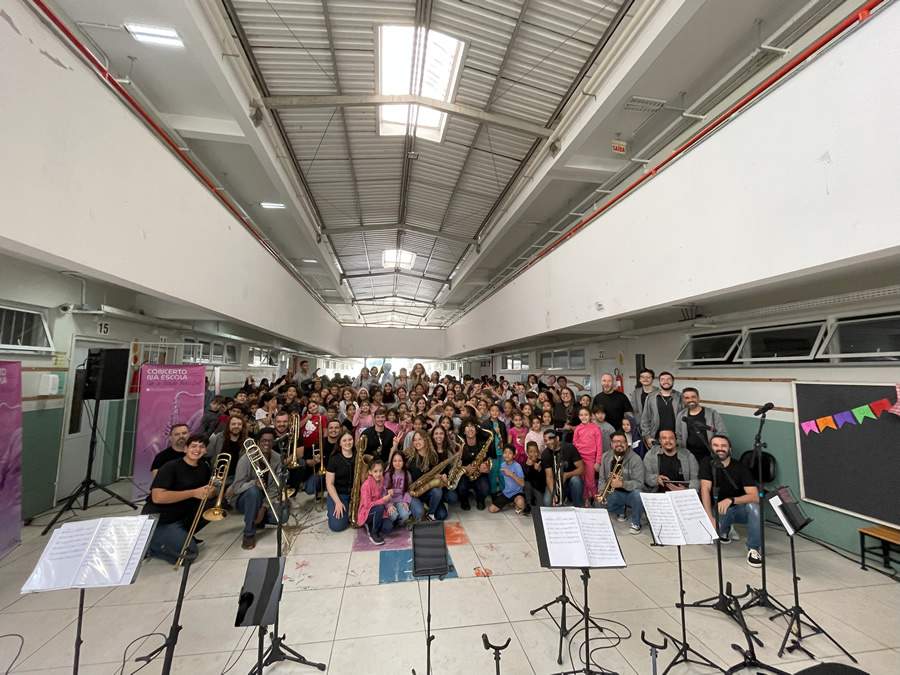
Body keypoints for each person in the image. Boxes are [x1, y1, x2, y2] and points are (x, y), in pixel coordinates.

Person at [142, 434, 215, 563]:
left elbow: (205, 491)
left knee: (213, 505)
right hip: (162, 519)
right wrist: (193, 493)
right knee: (189, 555)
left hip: (181, 516)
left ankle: (181, 535)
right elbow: (158, 497)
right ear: (185, 449)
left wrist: (211, 492)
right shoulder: (170, 467)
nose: (197, 449)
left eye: (201, 447)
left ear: (205, 450)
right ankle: (150, 544)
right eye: (193, 446)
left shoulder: (204, 467)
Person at [700, 435, 762, 567]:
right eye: (716, 446)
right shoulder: (707, 463)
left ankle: (754, 549)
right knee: (711, 536)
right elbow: (705, 489)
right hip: (718, 511)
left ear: (730, 449)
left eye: (724, 446)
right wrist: (709, 517)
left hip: (737, 508)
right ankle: (725, 530)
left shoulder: (740, 467)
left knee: (755, 507)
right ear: (711, 448)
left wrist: (731, 500)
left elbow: (755, 496)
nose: (720, 449)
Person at [229, 427, 282, 549]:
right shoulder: (246, 459)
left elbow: (274, 487)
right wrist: (253, 483)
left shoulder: (277, 458)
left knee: (282, 516)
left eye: (270, 441)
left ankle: (257, 517)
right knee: (254, 492)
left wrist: (264, 508)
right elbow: (236, 487)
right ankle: (249, 533)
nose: (267, 444)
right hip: (243, 498)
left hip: (265, 499)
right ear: (258, 442)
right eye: (264, 440)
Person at [597, 432, 645, 534]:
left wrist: (623, 484)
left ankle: (636, 523)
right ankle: (620, 510)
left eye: (622, 442)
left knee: (638, 494)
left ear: (627, 444)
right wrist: (602, 492)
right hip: (614, 493)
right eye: (615, 442)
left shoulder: (635, 459)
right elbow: (602, 479)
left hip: (630, 494)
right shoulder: (605, 456)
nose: (619, 444)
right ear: (611, 444)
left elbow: (640, 483)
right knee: (599, 502)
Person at [676, 388, 728, 465]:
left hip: (709, 454)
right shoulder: (681, 415)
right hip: (689, 455)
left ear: (698, 398)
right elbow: (679, 436)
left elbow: (722, 433)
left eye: (693, 397)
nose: (690, 400)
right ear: (683, 400)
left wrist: (717, 451)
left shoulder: (712, 413)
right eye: (687, 398)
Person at [407, 430, 449, 521]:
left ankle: (430, 513)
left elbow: (437, 475)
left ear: (426, 440)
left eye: (420, 439)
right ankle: (421, 506)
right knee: (419, 513)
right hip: (414, 493)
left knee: (442, 515)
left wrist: (442, 478)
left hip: (428, 492)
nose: (417, 442)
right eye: (414, 440)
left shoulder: (433, 456)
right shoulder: (409, 457)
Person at [452, 420, 491, 510]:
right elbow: (455, 465)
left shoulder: (482, 444)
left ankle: (480, 499)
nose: (470, 429)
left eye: (472, 426)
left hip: (479, 473)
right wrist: (465, 468)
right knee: (461, 488)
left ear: (476, 430)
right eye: (467, 426)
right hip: (464, 474)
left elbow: (488, 460)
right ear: (464, 431)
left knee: (485, 489)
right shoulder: (459, 445)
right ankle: (464, 500)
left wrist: (486, 466)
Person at [357, 459, 397, 545]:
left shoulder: (382, 480)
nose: (378, 474)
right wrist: (383, 500)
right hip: (367, 512)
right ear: (370, 472)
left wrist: (389, 492)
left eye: (380, 471)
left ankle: (373, 524)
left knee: (388, 528)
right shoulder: (366, 485)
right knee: (380, 507)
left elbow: (386, 492)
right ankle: (373, 532)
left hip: (380, 511)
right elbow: (367, 505)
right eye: (375, 471)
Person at [541, 429, 584, 507]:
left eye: (550, 439)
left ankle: (578, 506)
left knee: (576, 480)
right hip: (555, 482)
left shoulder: (570, 448)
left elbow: (581, 469)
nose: (548, 442)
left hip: (570, 479)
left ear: (557, 438)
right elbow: (549, 477)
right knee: (547, 502)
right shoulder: (545, 454)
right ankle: (562, 499)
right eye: (545, 440)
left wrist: (566, 475)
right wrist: (554, 493)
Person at [325, 431, 357, 532]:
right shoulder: (334, 459)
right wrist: (338, 502)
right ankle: (332, 508)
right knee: (337, 526)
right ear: (339, 443)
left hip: (355, 494)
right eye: (344, 440)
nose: (348, 442)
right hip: (339, 494)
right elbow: (329, 484)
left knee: (362, 520)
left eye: (350, 439)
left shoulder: (358, 456)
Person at [640, 372, 683, 445]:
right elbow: (645, 418)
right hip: (656, 438)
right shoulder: (651, 397)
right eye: (662, 379)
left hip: (676, 438)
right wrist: (647, 437)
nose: (665, 381)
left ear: (673, 381)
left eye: (668, 379)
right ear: (659, 382)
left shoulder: (680, 397)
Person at [572, 407, 603, 505]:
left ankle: (595, 497)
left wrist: (598, 462)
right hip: (580, 458)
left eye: (586, 414)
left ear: (590, 416)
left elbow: (599, 446)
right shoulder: (578, 428)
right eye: (581, 415)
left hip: (591, 459)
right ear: (578, 416)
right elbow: (574, 444)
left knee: (590, 481)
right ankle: (586, 498)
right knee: (582, 479)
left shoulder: (595, 428)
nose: (583, 417)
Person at [489, 445, 526, 514]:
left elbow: (523, 483)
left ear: (514, 455)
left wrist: (511, 474)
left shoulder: (517, 466)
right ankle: (510, 502)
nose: (507, 455)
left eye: (510, 453)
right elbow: (501, 479)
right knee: (491, 509)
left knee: (520, 503)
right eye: (505, 452)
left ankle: (517, 502)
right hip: (506, 493)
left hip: (517, 492)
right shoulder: (502, 465)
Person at [384, 450, 412, 526]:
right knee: (393, 516)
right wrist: (388, 505)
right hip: (390, 501)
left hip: (400, 500)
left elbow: (408, 490)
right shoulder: (388, 474)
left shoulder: (407, 474)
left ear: (403, 462)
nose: (397, 463)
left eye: (400, 461)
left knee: (405, 515)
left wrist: (406, 502)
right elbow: (383, 492)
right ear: (392, 462)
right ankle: (392, 521)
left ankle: (398, 523)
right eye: (395, 461)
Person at [522, 441, 545, 513]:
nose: (533, 454)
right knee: (527, 484)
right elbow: (526, 478)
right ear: (527, 453)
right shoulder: (525, 464)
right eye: (531, 452)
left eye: (535, 451)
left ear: (538, 452)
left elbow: (543, 479)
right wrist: (529, 467)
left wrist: (539, 470)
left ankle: (534, 500)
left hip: (539, 488)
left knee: (540, 507)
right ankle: (528, 504)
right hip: (529, 488)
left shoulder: (541, 462)